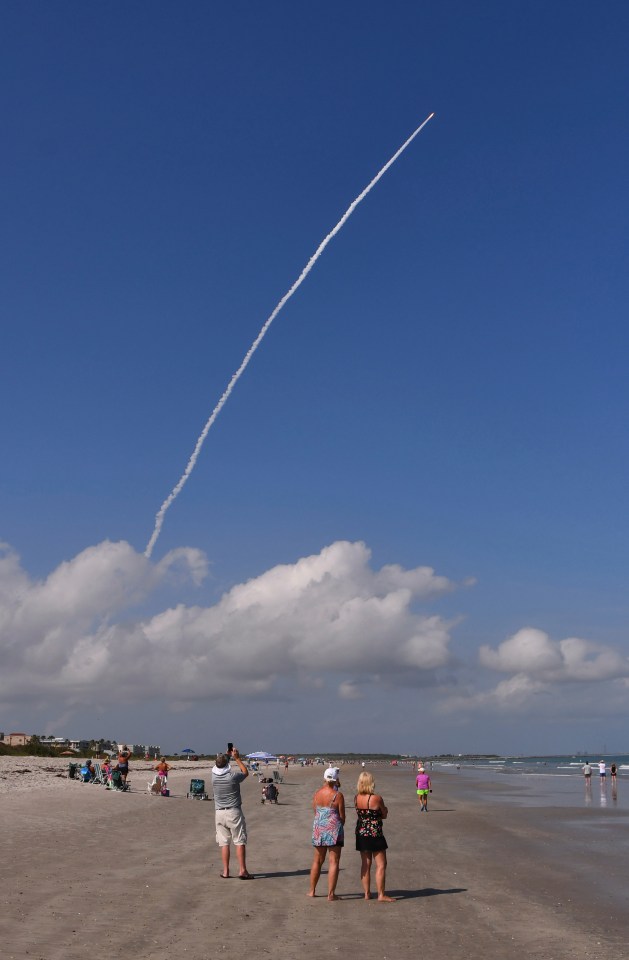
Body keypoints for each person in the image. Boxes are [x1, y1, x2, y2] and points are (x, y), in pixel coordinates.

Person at [212, 748, 253, 879]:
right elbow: (245, 772)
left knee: (224, 843)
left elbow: (219, 765)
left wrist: (227, 757)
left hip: (219, 813)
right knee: (239, 840)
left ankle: (225, 871)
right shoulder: (232, 777)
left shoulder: (213, 777)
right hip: (233, 812)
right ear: (227, 765)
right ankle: (242, 870)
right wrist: (237, 758)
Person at [354, 771, 394, 902]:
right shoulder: (376, 798)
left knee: (365, 864)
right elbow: (384, 814)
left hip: (361, 832)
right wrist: (385, 810)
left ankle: (367, 893)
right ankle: (381, 894)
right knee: (381, 864)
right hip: (375, 833)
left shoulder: (356, 798)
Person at [308, 767, 345, 900]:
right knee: (333, 861)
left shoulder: (317, 793)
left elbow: (315, 810)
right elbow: (342, 817)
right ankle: (331, 894)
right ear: (335, 780)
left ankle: (312, 890)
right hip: (334, 829)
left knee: (317, 860)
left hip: (319, 828)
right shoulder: (338, 795)